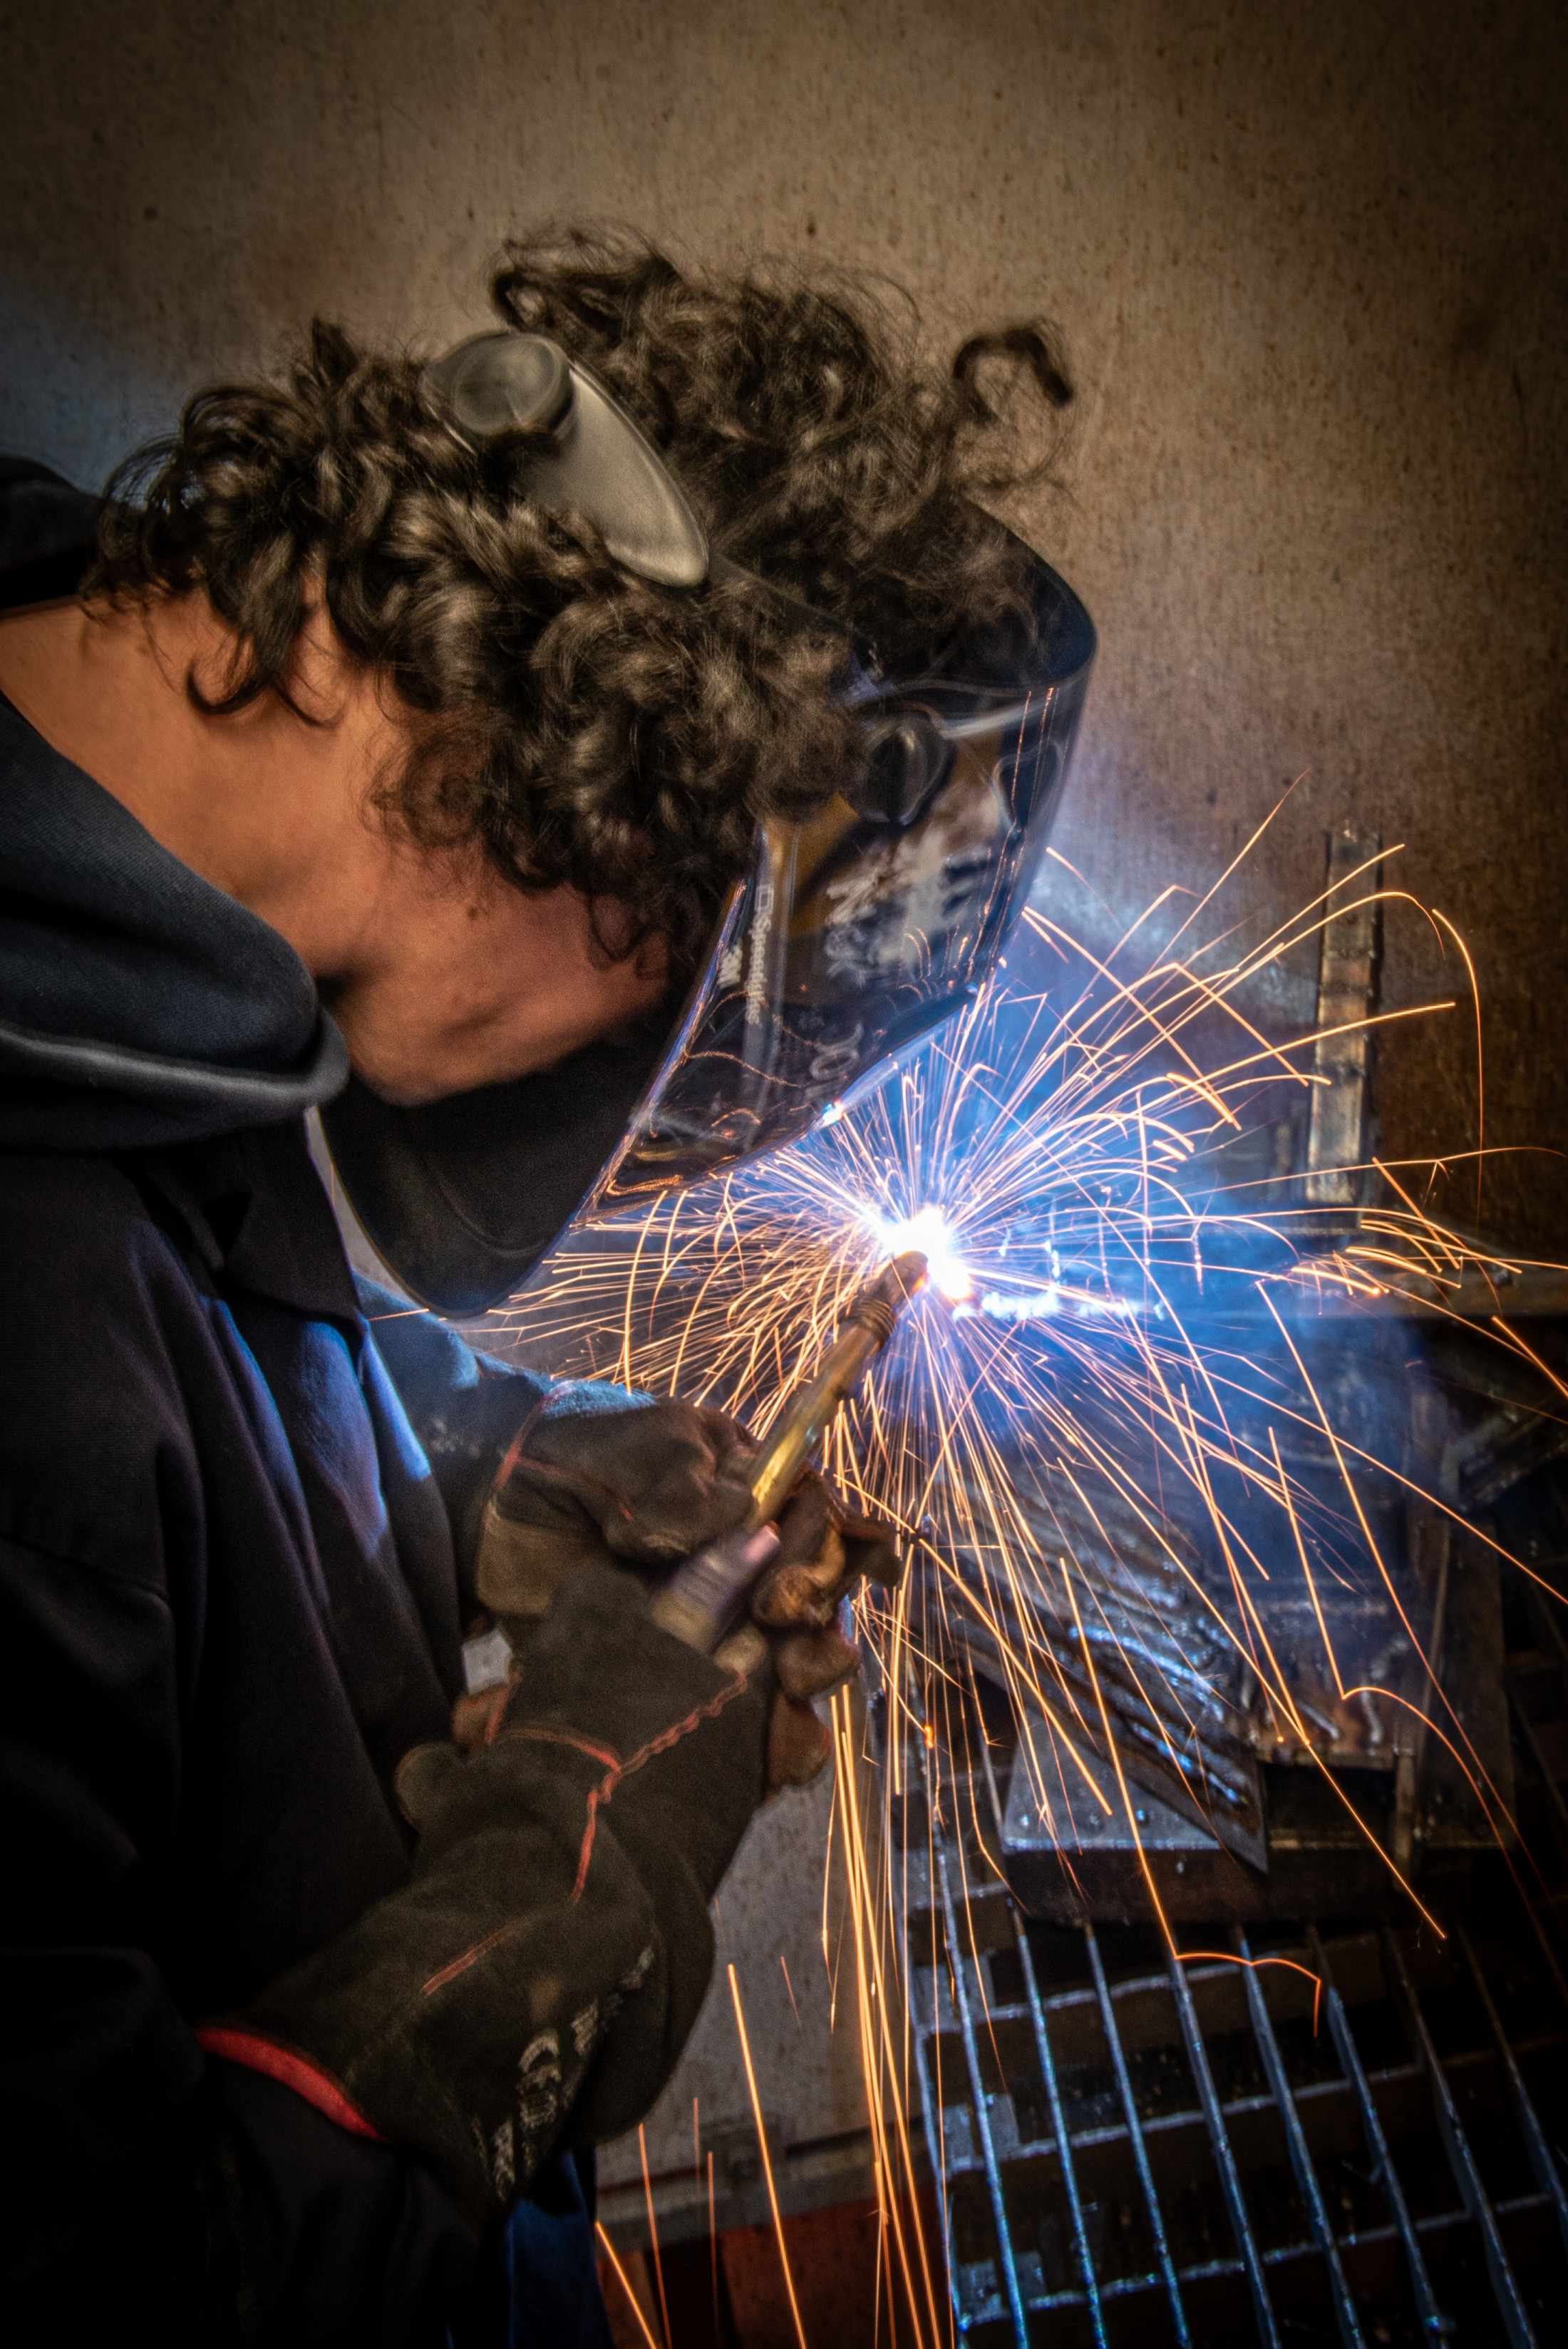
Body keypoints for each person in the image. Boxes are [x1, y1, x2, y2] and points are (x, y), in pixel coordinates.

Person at [0, 229, 1088, 2343]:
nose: (607, 1087)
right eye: (649, 1021)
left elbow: (186, 1389)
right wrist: (578, 1851)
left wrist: (480, 1499)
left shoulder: (125, 895)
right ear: (605, 846)